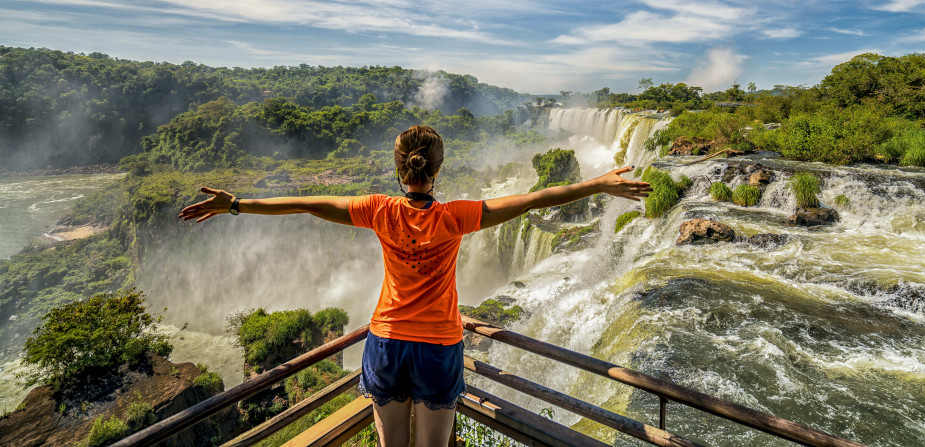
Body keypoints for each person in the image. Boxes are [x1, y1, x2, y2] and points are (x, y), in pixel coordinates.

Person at [179, 125, 651, 447]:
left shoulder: (379, 210)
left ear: (399, 170)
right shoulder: (456, 216)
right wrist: (596, 186)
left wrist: (237, 204)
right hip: (438, 345)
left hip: (384, 341)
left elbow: (306, 204)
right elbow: (531, 201)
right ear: (436, 171)